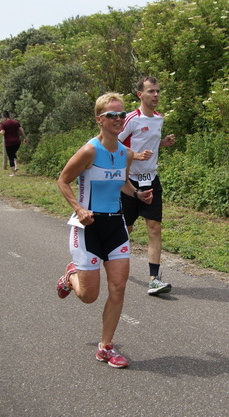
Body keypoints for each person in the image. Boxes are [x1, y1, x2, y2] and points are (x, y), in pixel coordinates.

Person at [56, 93, 153, 369]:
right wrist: (78, 208)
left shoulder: (124, 153)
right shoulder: (89, 151)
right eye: (112, 115)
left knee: (118, 288)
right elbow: (63, 181)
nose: (118, 119)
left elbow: (121, 182)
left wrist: (137, 194)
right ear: (99, 119)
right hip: (88, 228)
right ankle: (71, 275)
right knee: (89, 297)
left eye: (122, 115)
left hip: (116, 226)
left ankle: (106, 347)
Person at [118, 76, 175, 295]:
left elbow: (149, 144)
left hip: (151, 179)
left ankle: (154, 279)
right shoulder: (131, 118)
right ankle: (111, 259)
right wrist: (136, 156)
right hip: (129, 181)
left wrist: (162, 143)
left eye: (158, 91)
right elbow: (113, 144)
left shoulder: (159, 119)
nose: (156, 95)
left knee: (155, 228)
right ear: (140, 95)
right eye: (151, 91)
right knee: (126, 229)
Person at [0, 111, 28, 176]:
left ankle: (13, 173)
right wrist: (25, 138)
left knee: (10, 156)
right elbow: (21, 129)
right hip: (17, 142)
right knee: (13, 154)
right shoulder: (16, 122)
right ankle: (16, 166)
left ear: (4, 117)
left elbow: (2, 133)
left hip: (9, 142)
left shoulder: (3, 124)